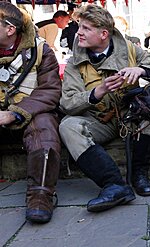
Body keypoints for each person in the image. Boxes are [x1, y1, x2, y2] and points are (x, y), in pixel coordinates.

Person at [59, 4, 150, 212]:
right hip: (100, 120)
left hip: (132, 117)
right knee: (68, 126)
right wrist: (96, 92)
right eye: (79, 26)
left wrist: (141, 70)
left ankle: (140, 173)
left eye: (85, 28)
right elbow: (67, 103)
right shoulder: (76, 62)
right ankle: (114, 184)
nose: (79, 32)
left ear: (103, 34)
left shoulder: (129, 48)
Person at [0, 2, 62, 223]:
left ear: (10, 29)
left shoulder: (40, 50)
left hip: (29, 111)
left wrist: (15, 113)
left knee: (44, 129)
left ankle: (40, 195)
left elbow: (50, 90)